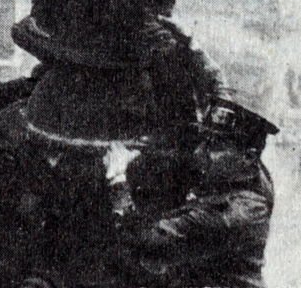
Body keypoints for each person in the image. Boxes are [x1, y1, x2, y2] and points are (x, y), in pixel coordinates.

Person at [119, 96, 277, 288]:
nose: (200, 152)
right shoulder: (246, 172)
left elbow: (152, 242)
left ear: (248, 157)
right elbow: (180, 162)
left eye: (215, 146)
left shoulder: (238, 210)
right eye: (205, 142)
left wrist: (120, 190)